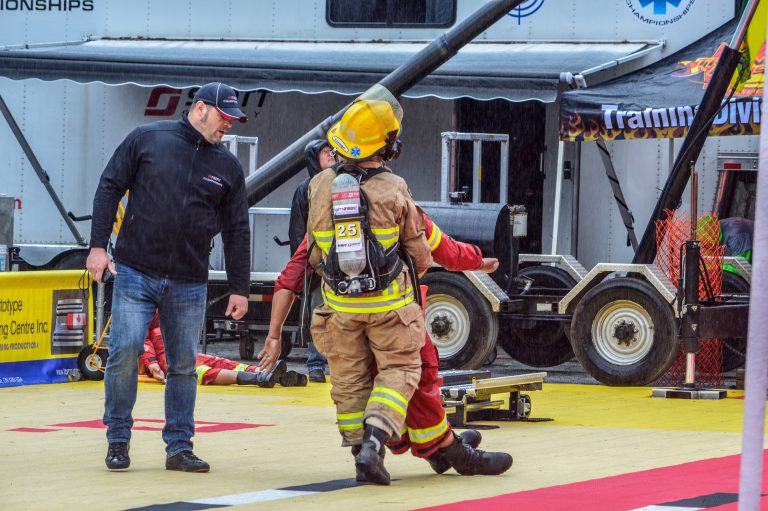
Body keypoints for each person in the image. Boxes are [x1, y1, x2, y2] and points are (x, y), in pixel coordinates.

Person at [86, 82, 254, 474]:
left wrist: (240, 288)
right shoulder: (147, 139)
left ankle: (179, 447)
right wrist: (97, 247)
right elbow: (108, 187)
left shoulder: (228, 167)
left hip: (189, 280)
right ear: (199, 109)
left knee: (182, 364)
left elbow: (237, 230)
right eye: (223, 117)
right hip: (134, 271)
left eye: (232, 119)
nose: (227, 125)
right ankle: (118, 439)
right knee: (125, 350)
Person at [269, 215, 512, 482]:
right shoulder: (392, 196)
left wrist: (274, 335)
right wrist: (477, 260)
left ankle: (369, 452)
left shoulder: (325, 211)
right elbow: (439, 246)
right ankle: (450, 451)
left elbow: (291, 276)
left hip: (343, 322)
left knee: (356, 387)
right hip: (393, 315)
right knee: (417, 378)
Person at [305, 87, 432, 485]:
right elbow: (419, 251)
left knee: (348, 378)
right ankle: (376, 443)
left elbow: (312, 252)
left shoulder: (320, 185)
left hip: (339, 307)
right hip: (390, 306)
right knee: (400, 369)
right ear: (387, 144)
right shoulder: (393, 188)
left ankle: (358, 450)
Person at [139, 311, 306, 387]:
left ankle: (265, 374)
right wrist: (152, 363)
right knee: (206, 370)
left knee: (216, 363)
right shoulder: (152, 306)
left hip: (177, 350)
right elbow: (141, 339)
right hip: (166, 356)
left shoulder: (153, 303)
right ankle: (259, 377)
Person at [287, 140, 336, 383]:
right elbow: (297, 231)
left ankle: (338, 364)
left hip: (342, 265)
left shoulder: (344, 184)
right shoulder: (305, 189)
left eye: (332, 152)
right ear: (312, 159)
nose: (331, 155)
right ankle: (315, 363)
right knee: (318, 312)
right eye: (325, 153)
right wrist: (306, 266)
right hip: (317, 268)